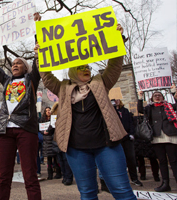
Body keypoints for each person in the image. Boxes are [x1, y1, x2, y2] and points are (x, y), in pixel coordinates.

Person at [36, 24, 137, 199]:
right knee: (88, 193)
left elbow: (114, 66)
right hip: (77, 149)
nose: (86, 69)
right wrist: (40, 57)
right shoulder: (63, 88)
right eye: (81, 67)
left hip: (107, 145)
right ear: (73, 71)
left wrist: (117, 40)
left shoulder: (100, 82)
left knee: (122, 191)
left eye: (88, 67)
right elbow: (46, 76)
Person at [0, 12, 42, 200]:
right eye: (13, 63)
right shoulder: (6, 81)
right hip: (5, 130)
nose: (14, 65)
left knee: (29, 174)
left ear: (26, 67)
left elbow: (39, 58)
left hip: (25, 129)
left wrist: (38, 28)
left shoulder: (32, 80)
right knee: (3, 176)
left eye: (19, 63)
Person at [138, 86, 177, 192]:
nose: (157, 97)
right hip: (157, 137)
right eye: (155, 95)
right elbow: (140, 110)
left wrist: (174, 93)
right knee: (162, 161)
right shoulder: (150, 108)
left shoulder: (168, 106)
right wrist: (140, 97)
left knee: (173, 161)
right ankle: (165, 183)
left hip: (170, 136)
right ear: (152, 98)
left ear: (162, 97)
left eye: (159, 95)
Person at [112, 99, 143, 186]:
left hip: (127, 138)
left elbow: (130, 122)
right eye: (114, 100)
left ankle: (134, 178)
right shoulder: (112, 111)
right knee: (118, 160)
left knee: (131, 158)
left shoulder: (125, 111)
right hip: (118, 138)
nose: (116, 101)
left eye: (118, 100)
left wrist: (131, 133)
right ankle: (120, 180)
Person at [50, 102, 74, 186]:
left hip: (61, 139)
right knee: (62, 160)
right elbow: (50, 129)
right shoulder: (53, 118)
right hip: (57, 139)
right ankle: (66, 177)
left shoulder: (65, 115)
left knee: (64, 160)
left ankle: (67, 177)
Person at [40, 107, 62, 180]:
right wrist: (43, 132)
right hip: (46, 141)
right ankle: (50, 174)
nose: (48, 112)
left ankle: (58, 173)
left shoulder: (54, 119)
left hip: (53, 140)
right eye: (46, 111)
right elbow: (40, 128)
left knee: (56, 159)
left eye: (49, 110)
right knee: (49, 159)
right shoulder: (42, 120)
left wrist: (50, 129)